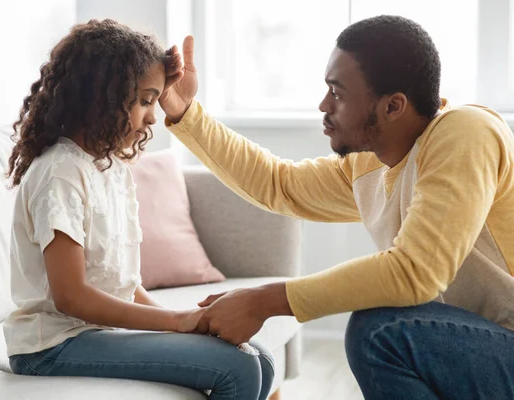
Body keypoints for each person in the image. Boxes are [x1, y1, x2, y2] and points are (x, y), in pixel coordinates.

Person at [159, 15, 514, 399]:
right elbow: (278, 184)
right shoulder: (371, 162)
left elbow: (416, 272)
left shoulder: (466, 133)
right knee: (384, 327)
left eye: (338, 93)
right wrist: (185, 113)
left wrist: (264, 301)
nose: (324, 105)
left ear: (393, 106)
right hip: (478, 342)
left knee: (381, 332)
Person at [3, 19, 275, 400]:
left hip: (95, 334)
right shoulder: (60, 173)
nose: (153, 117)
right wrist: (177, 321)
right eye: (146, 100)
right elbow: (72, 297)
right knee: (239, 368)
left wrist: (183, 325)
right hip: (51, 346)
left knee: (260, 358)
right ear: (103, 97)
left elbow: (123, 286)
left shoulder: (109, 166)